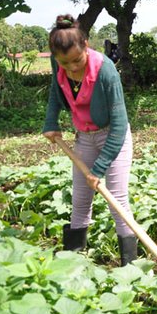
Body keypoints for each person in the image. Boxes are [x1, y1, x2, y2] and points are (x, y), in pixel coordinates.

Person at [42, 14, 137, 266]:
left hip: (112, 136)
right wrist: (51, 122)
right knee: (80, 200)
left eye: (76, 60)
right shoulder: (58, 63)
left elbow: (118, 124)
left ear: (86, 44)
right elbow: (55, 89)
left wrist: (99, 167)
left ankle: (131, 268)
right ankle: (72, 262)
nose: (72, 67)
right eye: (64, 63)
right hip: (84, 136)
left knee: (117, 200)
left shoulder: (105, 70)